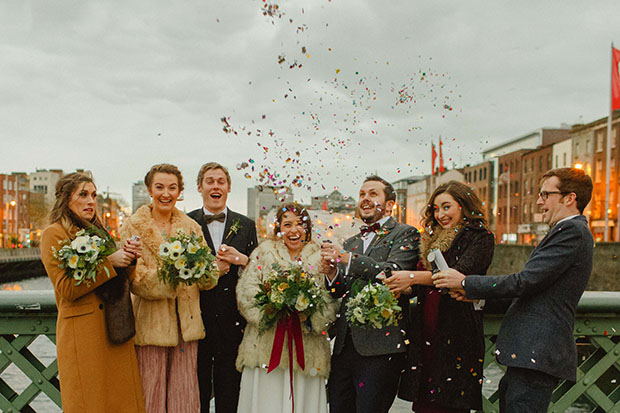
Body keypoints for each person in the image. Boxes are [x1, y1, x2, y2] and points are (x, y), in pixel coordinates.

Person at [433, 168, 594, 412]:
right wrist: (476, 298)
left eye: (545, 194)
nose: (539, 201)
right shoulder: (566, 231)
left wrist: (466, 283)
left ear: (569, 198)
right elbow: (533, 290)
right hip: (529, 353)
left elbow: (525, 281)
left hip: (536, 351)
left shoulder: (572, 231)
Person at [120, 164, 224, 413]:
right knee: (150, 394)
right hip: (150, 326)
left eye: (172, 187)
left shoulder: (190, 227)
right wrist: (174, 275)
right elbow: (135, 279)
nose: (166, 193)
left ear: (180, 191)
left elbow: (207, 277)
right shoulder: (133, 226)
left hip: (185, 326)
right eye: (160, 187)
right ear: (149, 190)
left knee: (184, 396)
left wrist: (208, 269)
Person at [384, 181, 494, 412]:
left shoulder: (479, 237)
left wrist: (412, 277)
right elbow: (418, 286)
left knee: (450, 402)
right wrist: (398, 284)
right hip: (426, 331)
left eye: (447, 207)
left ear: (463, 206)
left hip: (456, 331)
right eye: (436, 208)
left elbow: (456, 275)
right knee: (424, 403)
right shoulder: (432, 240)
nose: (440, 214)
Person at [40, 172, 145, 412]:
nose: (91, 201)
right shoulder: (53, 234)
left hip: (114, 329)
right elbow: (66, 288)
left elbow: (119, 281)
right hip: (83, 336)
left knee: (121, 403)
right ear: (66, 199)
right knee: (90, 404)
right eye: (83, 195)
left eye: (94, 195)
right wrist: (110, 262)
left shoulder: (99, 232)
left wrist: (128, 259)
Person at [319, 175, 420, 413]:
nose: (365, 198)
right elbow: (338, 290)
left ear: (389, 204)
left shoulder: (406, 234)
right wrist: (332, 272)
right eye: (362, 194)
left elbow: (393, 272)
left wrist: (345, 258)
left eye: (373, 194)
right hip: (344, 346)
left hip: (381, 346)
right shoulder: (352, 241)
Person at [236, 203, 338, 413]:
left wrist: (308, 313)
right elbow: (247, 292)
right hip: (265, 346)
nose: (294, 230)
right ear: (279, 228)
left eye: (300, 224)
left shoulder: (321, 257)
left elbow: (331, 300)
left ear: (308, 228)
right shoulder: (263, 253)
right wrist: (273, 310)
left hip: (308, 349)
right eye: (288, 224)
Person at [187, 162, 258, 413]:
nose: (215, 185)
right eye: (209, 181)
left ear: (228, 188)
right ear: (200, 187)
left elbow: (255, 276)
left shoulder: (247, 225)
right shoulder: (186, 223)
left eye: (220, 181)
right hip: (196, 322)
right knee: (196, 393)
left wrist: (240, 262)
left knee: (231, 394)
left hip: (233, 324)